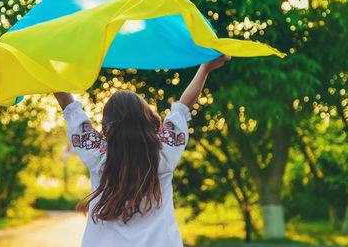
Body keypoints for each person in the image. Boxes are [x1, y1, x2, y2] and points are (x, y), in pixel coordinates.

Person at [54, 55, 231, 247]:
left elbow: (70, 108)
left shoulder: (98, 155)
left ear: (106, 125)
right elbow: (182, 108)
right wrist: (205, 68)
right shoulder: (164, 153)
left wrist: (44, 67)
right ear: (148, 118)